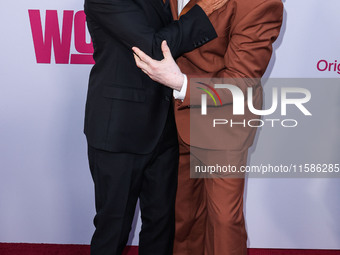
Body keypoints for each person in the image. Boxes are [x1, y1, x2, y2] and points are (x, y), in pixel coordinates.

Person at [132, 0, 284, 254]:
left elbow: (241, 81)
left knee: (224, 219)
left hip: (223, 122)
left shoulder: (261, 3)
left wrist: (182, 84)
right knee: (182, 216)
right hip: (171, 118)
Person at [83, 0, 230, 254]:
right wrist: (203, 13)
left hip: (164, 127)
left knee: (161, 229)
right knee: (113, 229)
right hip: (119, 130)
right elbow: (153, 48)